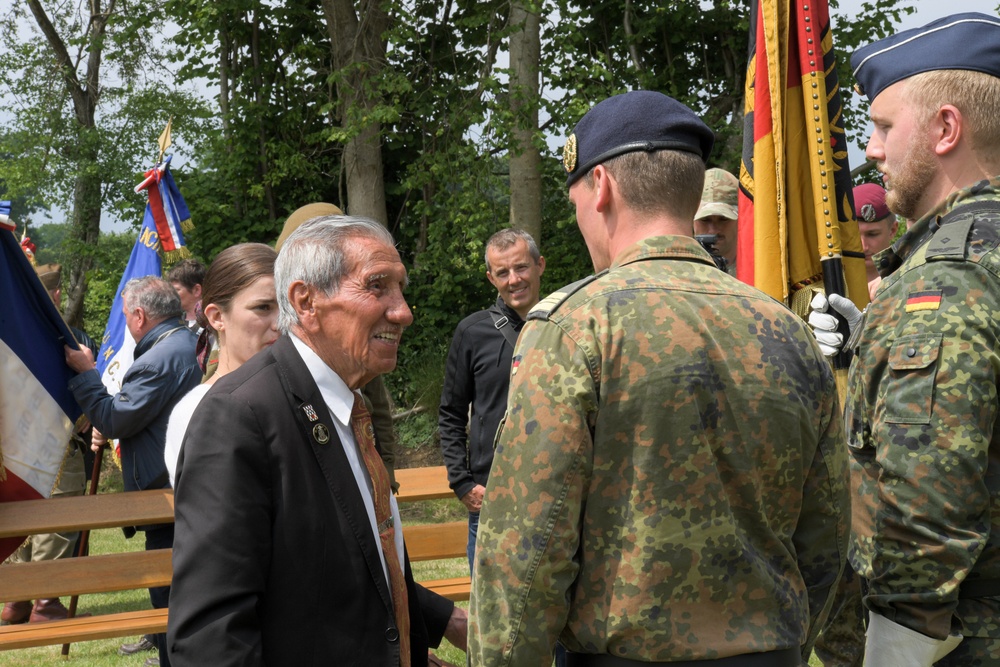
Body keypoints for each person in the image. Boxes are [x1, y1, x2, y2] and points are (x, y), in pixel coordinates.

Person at [469, 90, 849, 665]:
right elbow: (828, 535)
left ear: (601, 188)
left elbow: (525, 550)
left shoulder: (574, 327)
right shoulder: (787, 331)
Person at [167, 215, 467, 666]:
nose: (403, 310)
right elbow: (212, 633)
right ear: (305, 301)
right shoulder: (238, 415)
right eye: (377, 286)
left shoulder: (348, 404)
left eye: (400, 288)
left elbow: (357, 565)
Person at [832, 13, 1000, 665]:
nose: (871, 150)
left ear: (945, 129)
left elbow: (926, 500)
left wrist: (895, 647)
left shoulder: (946, 277)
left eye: (882, 127)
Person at [64, 276, 201, 667]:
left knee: (169, 598)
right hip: (182, 491)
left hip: (169, 499)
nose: (125, 322)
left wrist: (87, 373)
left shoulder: (159, 358)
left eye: (125, 315)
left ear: (139, 315)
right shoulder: (185, 344)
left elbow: (113, 418)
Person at [439, 228, 545, 573]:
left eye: (521, 268)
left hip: (550, 491)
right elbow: (451, 413)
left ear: (539, 265)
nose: (514, 280)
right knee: (489, 613)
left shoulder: (564, 323)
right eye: (503, 272)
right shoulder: (472, 332)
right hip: (490, 497)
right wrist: (462, 482)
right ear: (490, 277)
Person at [276, 202, 401, 490]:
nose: (402, 313)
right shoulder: (277, 331)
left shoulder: (354, 345)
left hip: (361, 453)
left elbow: (377, 406)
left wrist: (387, 469)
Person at [1, 263, 97, 626]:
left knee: (17, 511)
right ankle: (45, 602)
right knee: (58, 519)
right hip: (56, 443)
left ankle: (16, 602)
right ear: (53, 294)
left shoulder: (7, 336)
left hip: (11, 445)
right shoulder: (65, 338)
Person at [164, 243, 278, 486]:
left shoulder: (304, 393)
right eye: (263, 307)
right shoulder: (195, 412)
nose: (281, 324)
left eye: (287, 308)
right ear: (217, 317)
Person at [852, 182, 898, 299]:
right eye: (854, 235)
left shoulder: (910, 276)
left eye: (872, 234)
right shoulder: (827, 282)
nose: (863, 246)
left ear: (892, 230)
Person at [693, 167, 739, 275]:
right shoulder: (677, 270)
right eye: (705, 220)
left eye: (723, 219)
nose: (712, 230)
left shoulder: (758, 272)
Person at [167, 259, 205, 329]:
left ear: (197, 290)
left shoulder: (214, 324)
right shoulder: (173, 324)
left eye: (176, 290)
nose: (171, 295)